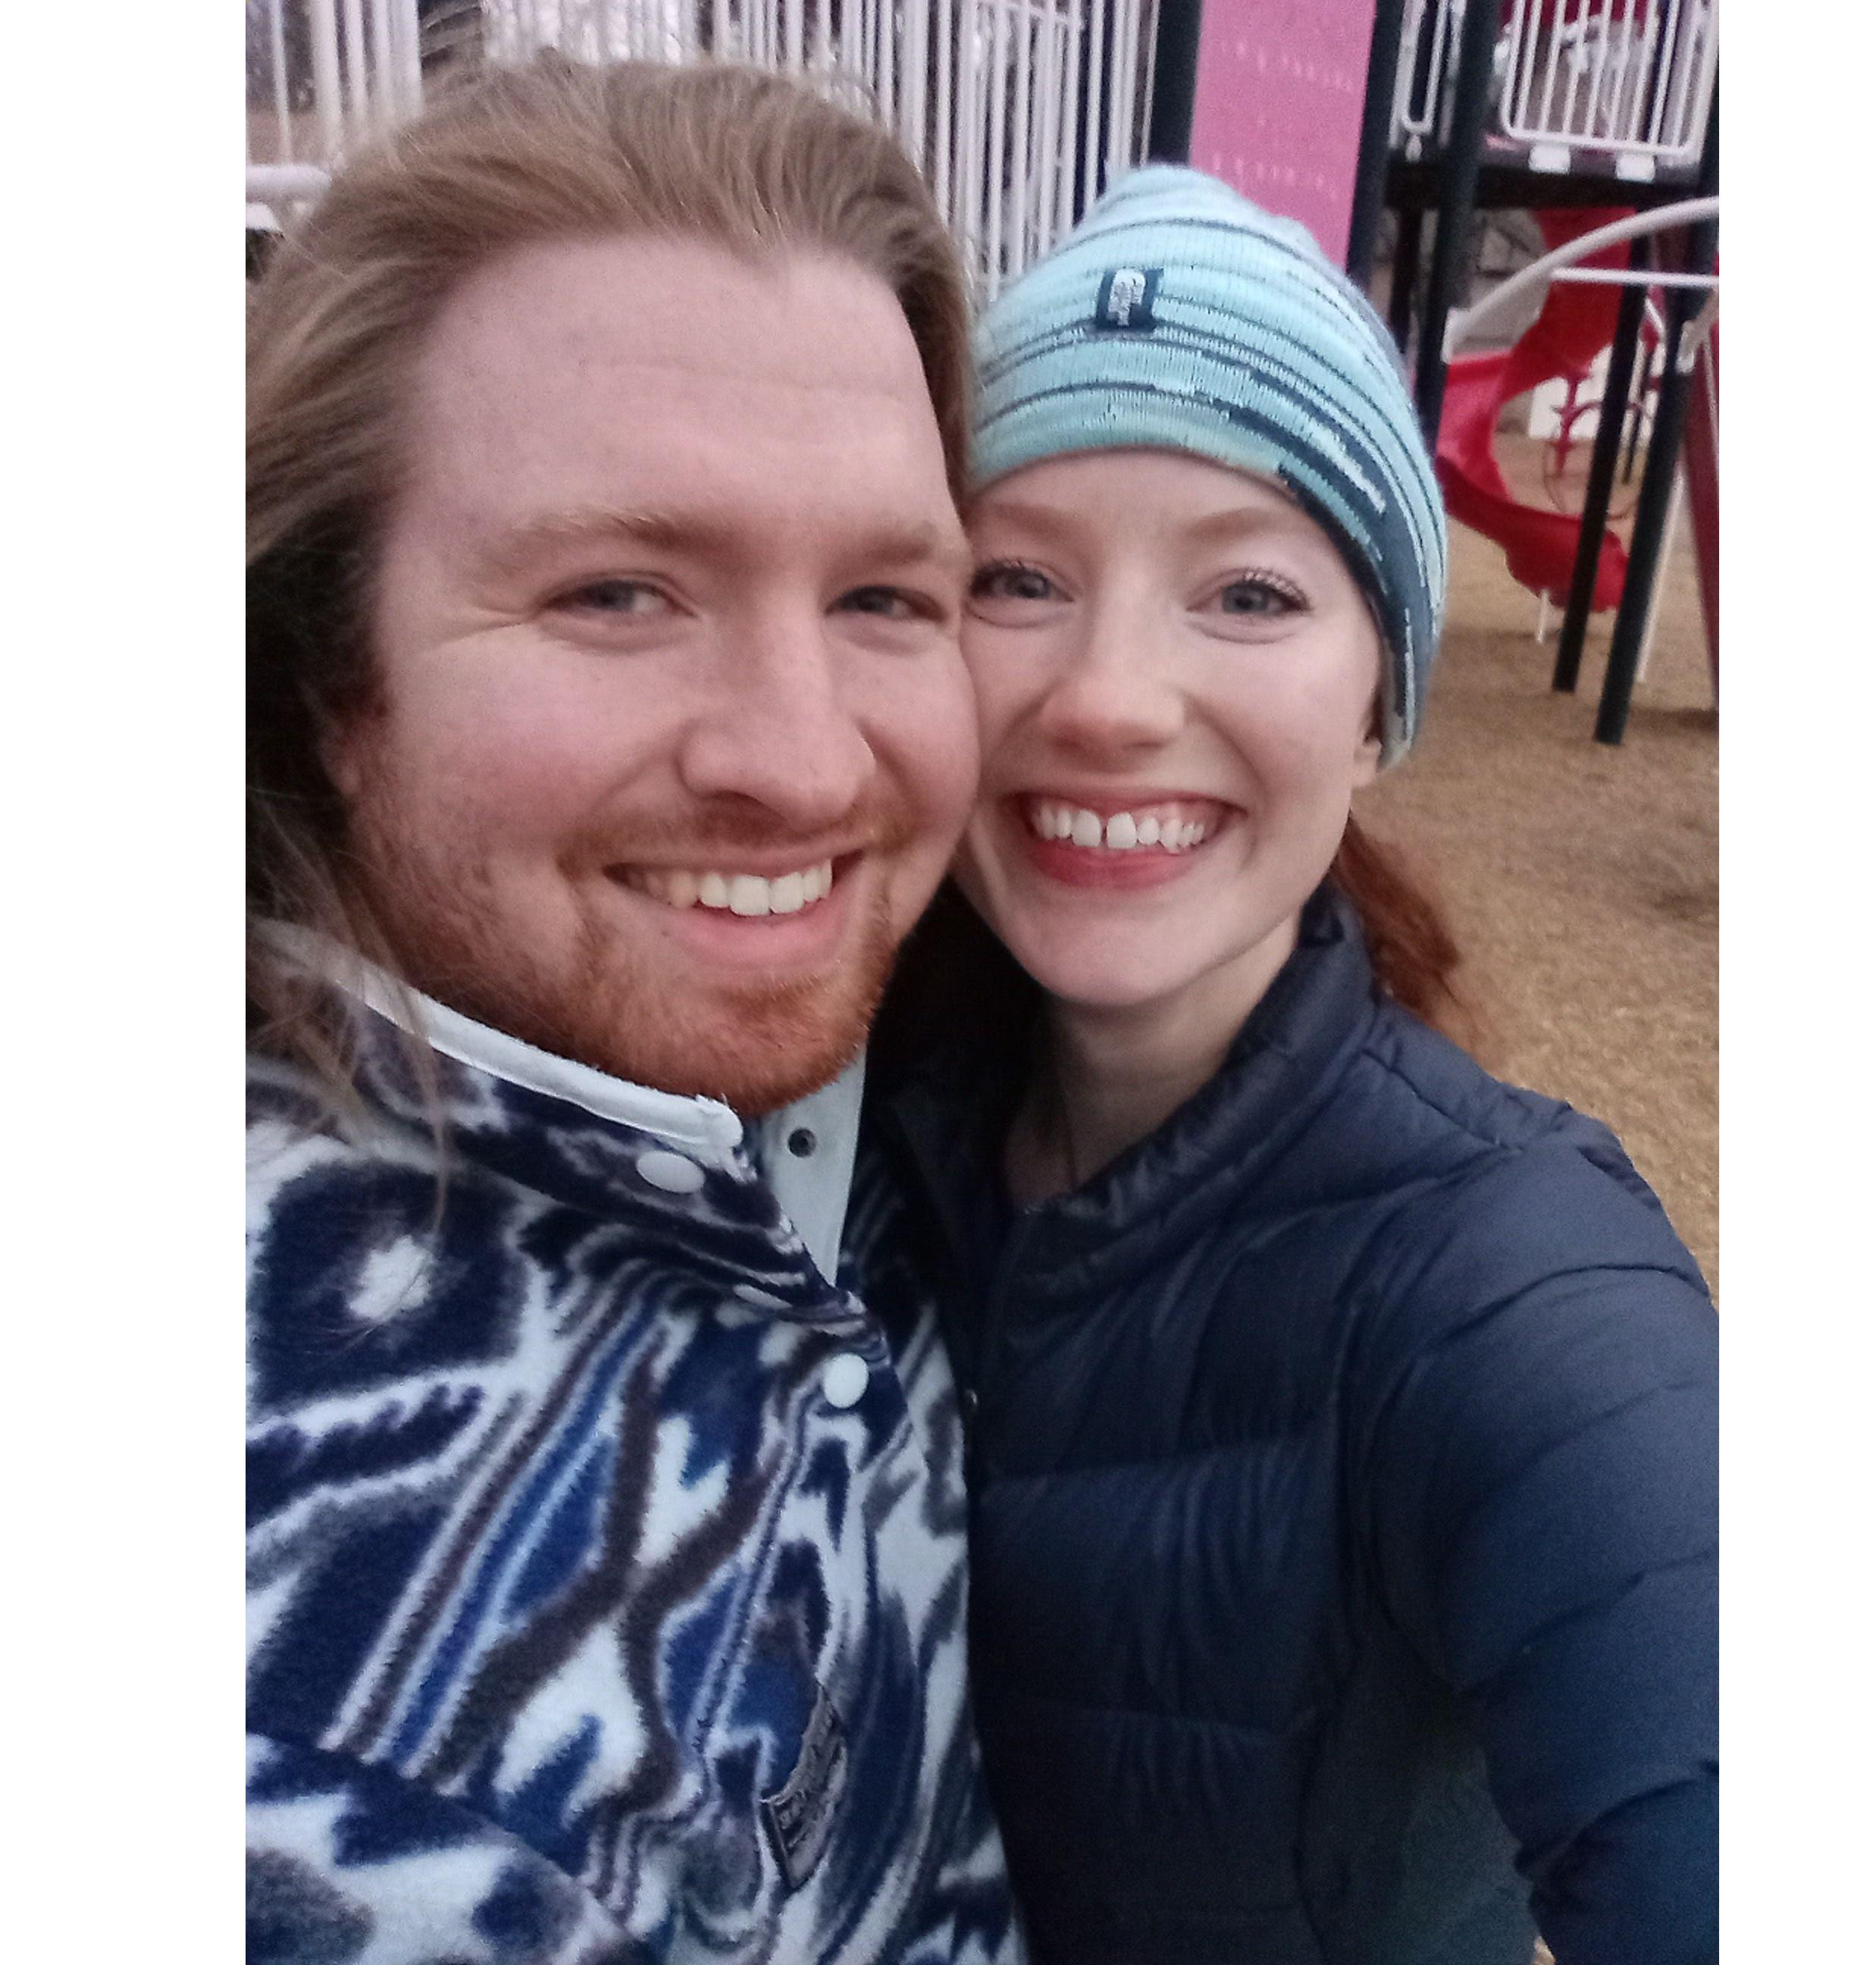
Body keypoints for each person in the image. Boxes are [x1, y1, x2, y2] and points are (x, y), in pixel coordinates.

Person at [867, 168, 1718, 1965]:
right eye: (1018, 578)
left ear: (1378, 707)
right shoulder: (837, 1130)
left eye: (1248, 593)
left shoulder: (1509, 1283)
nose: (1107, 697)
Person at [246, 60, 1023, 1965]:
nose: (801, 761)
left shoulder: (896, 1054)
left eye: (885, 599)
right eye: (617, 594)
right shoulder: (372, 1792)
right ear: (328, 677)